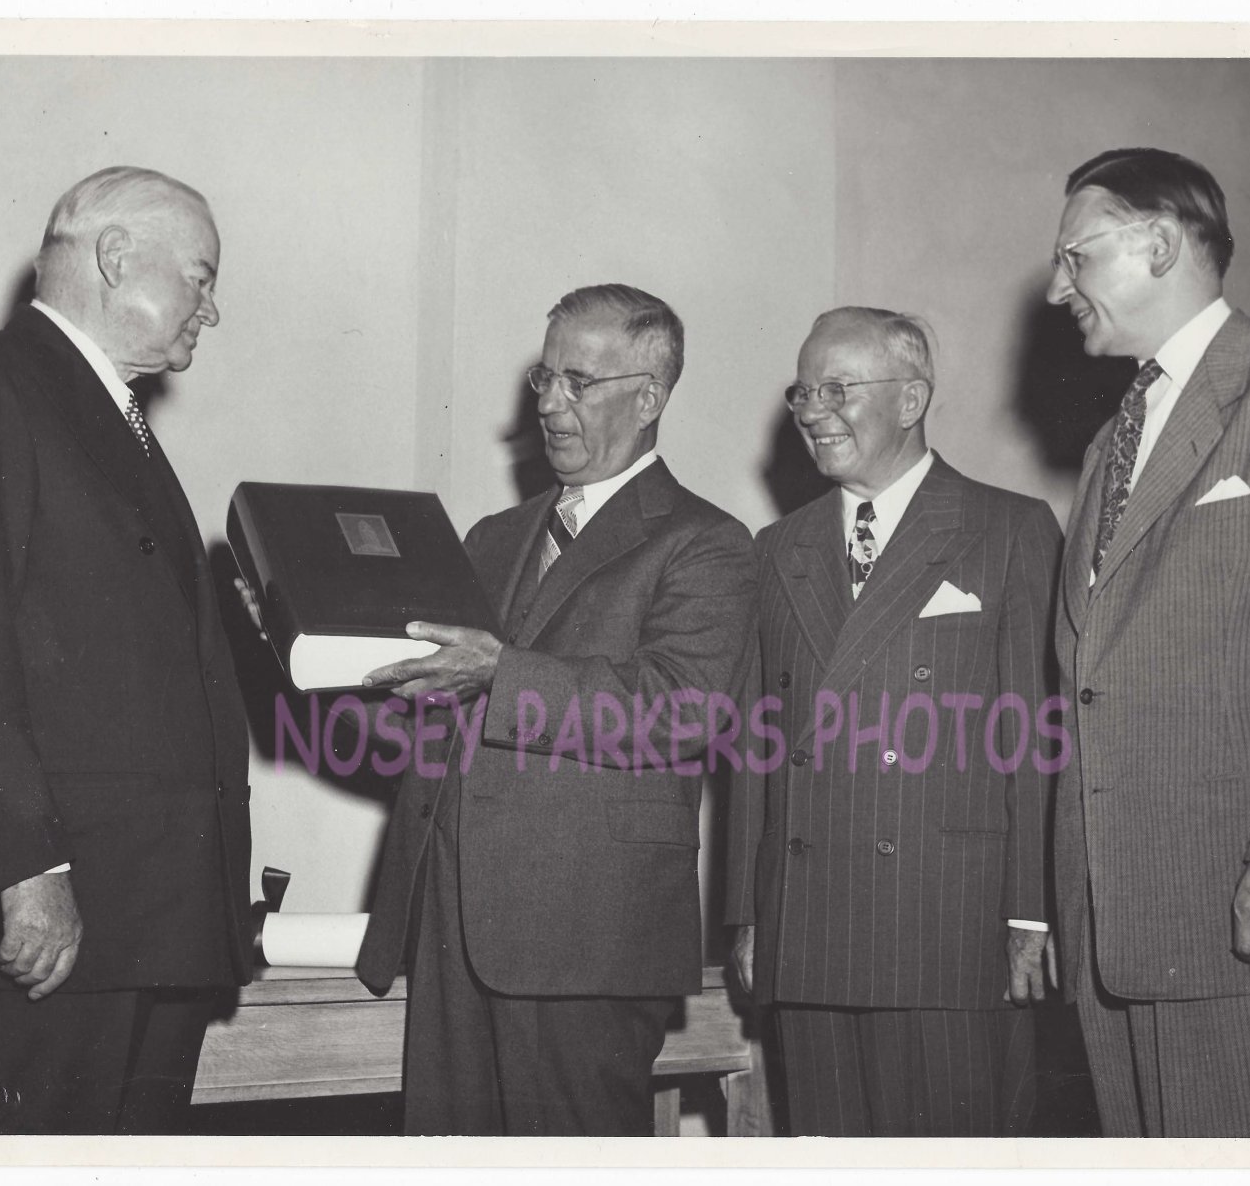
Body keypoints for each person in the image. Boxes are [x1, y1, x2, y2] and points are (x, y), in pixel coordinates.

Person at [352, 283, 755, 1136]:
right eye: (544, 378)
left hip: (585, 942)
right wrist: (305, 647)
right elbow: (424, 725)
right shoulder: (493, 537)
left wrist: (500, 675)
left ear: (650, 397)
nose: (550, 404)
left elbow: (681, 711)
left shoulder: (704, 541)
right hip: (452, 929)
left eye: (580, 382)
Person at [0, 166, 251, 1134]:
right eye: (199, 276)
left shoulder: (104, 412)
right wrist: (25, 871)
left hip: (146, 917)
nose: (213, 307)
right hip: (65, 920)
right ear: (117, 257)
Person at [727, 306, 1063, 1136]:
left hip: (950, 923)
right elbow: (754, 745)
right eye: (803, 390)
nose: (810, 410)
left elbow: (1035, 736)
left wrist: (1031, 913)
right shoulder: (777, 548)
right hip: (806, 926)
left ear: (911, 398)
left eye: (837, 388)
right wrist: (749, 911)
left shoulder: (1010, 529)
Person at [1047, 147, 1250, 1137]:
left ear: (1159, 242)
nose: (1055, 286)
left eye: (1076, 258)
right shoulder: (1111, 437)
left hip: (1242, 906)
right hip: (1115, 925)